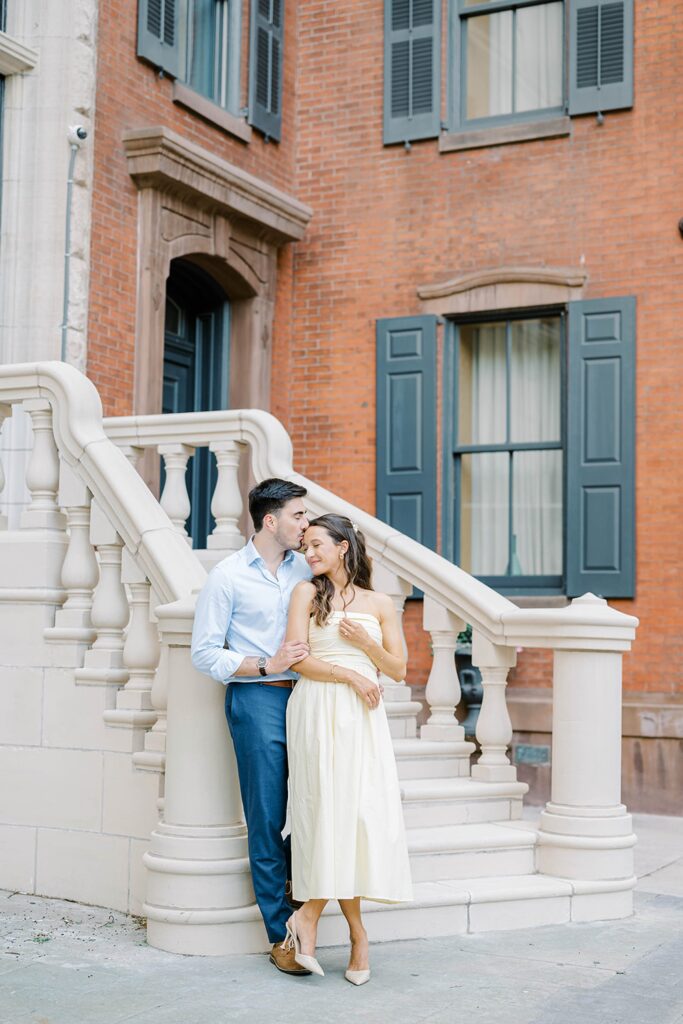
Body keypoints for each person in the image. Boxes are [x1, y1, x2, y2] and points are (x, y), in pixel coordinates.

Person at [282, 513, 413, 985]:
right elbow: (298, 657)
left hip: (363, 718)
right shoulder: (305, 594)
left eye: (317, 544)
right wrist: (352, 673)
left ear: (343, 546)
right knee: (326, 817)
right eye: (305, 547)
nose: (309, 553)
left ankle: (318, 921)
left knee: (356, 818)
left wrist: (366, 649)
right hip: (318, 708)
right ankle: (348, 934)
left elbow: (398, 669)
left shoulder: (380, 603)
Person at [190, 478, 314, 976]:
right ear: (271, 520)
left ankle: (295, 887)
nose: (306, 524)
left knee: (314, 804)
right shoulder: (227, 576)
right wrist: (268, 663)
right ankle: (280, 934)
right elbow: (205, 652)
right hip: (257, 698)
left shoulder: (308, 565)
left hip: (310, 699)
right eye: (299, 516)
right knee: (266, 816)